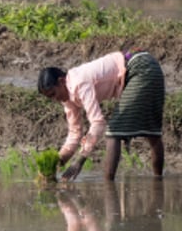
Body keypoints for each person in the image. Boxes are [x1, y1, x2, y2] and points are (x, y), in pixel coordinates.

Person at [38, 49, 166, 182]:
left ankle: (108, 187)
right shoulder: (67, 99)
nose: (54, 99)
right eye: (50, 98)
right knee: (152, 132)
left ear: (61, 81)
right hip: (143, 67)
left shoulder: (78, 82)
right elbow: (75, 132)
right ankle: (158, 182)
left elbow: (98, 123)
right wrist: (59, 160)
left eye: (53, 94)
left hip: (140, 68)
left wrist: (80, 160)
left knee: (113, 132)